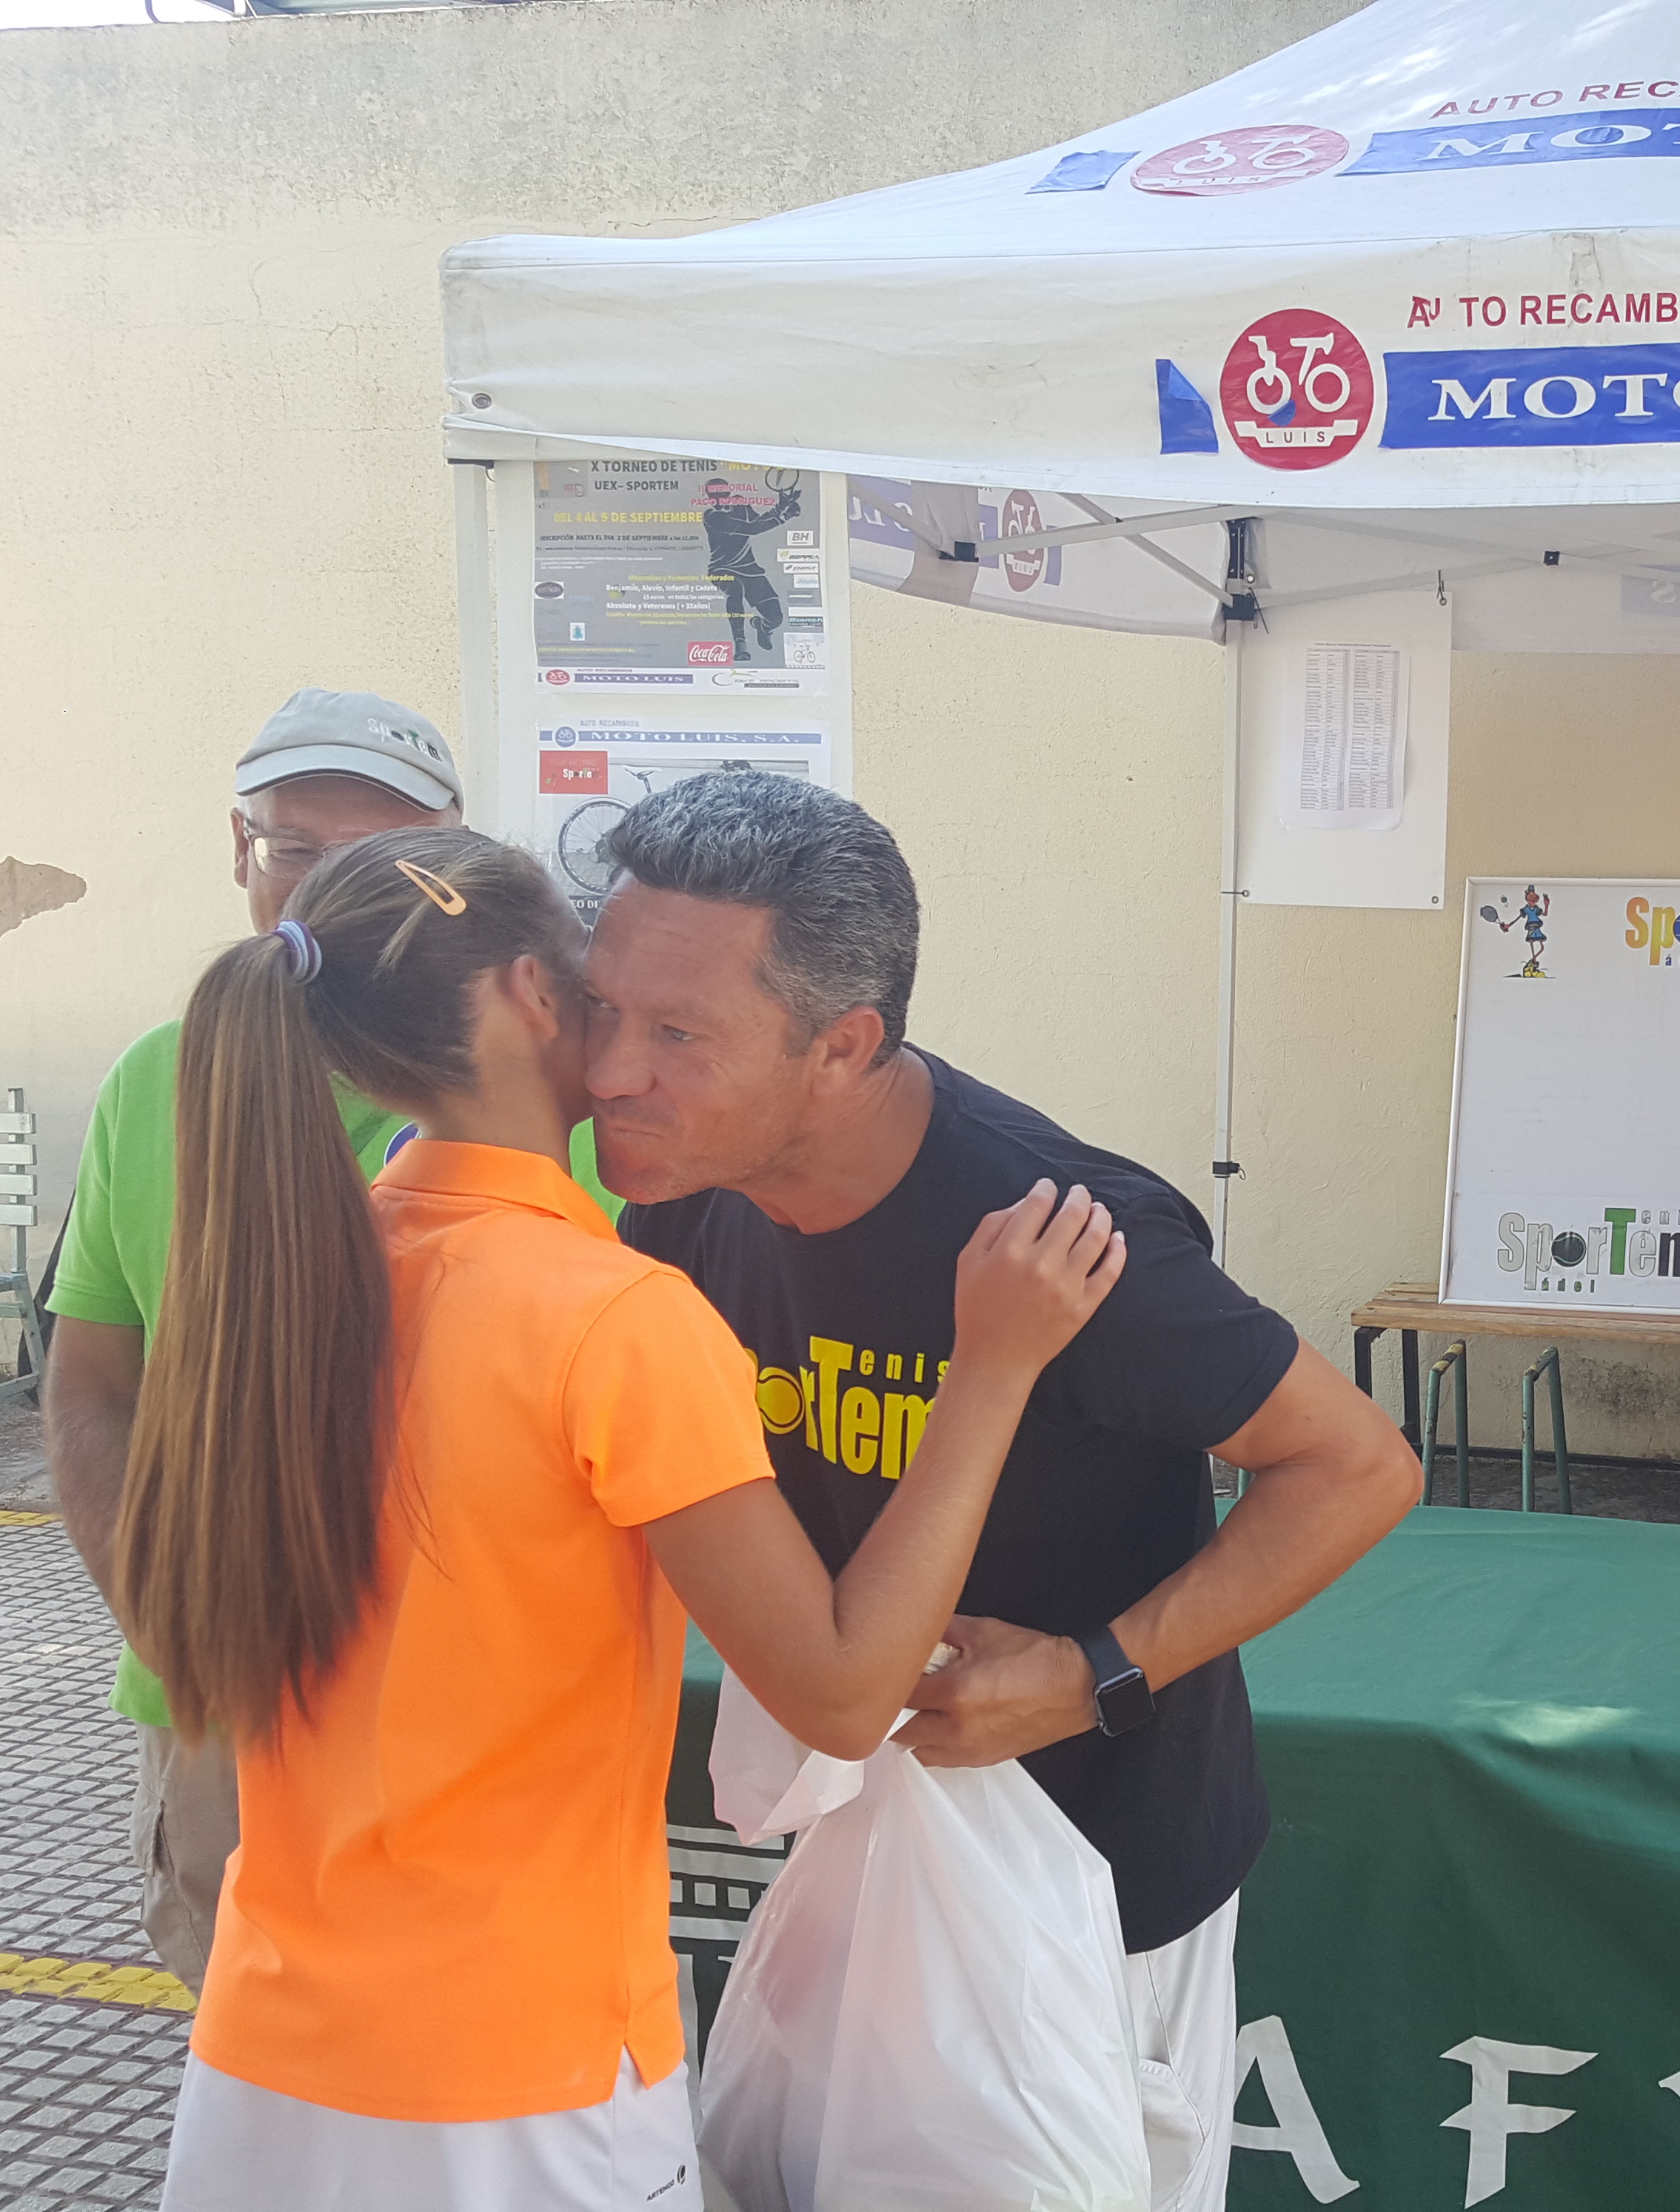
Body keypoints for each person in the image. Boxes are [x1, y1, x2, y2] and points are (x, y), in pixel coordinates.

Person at [124, 825, 1122, 2210]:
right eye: (603, 993)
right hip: (519, 2069)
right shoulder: (613, 1318)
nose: (630, 1045)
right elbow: (842, 1692)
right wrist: (994, 1368)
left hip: (265, 2048)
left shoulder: (287, 1274)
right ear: (531, 995)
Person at [578, 774, 1424, 2212]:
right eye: (602, 1009)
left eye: (677, 1035)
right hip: (857, 1845)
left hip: (1099, 1879)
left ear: (842, 1046)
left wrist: (1093, 1674)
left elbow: (1357, 1466)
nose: (609, 1070)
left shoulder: (1060, 1238)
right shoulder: (678, 1197)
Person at [45, 689, 617, 1992]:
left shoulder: (558, 1099)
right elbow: (90, 1385)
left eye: (389, 855)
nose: (335, 889)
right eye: (295, 846)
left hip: (492, 1730)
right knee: (254, 2051)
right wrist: (164, 1615)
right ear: (237, 849)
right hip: (229, 1712)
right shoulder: (155, 1081)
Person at [698, 477, 801, 662]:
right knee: (735, 589)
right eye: (712, 495)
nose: (717, 498)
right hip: (722, 569)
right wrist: (784, 515)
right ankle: (741, 645)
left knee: (776, 619)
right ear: (708, 497)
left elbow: (758, 521)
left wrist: (781, 508)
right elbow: (751, 529)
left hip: (750, 570)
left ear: (727, 492)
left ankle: (763, 627)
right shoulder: (712, 516)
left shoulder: (740, 504)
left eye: (720, 493)